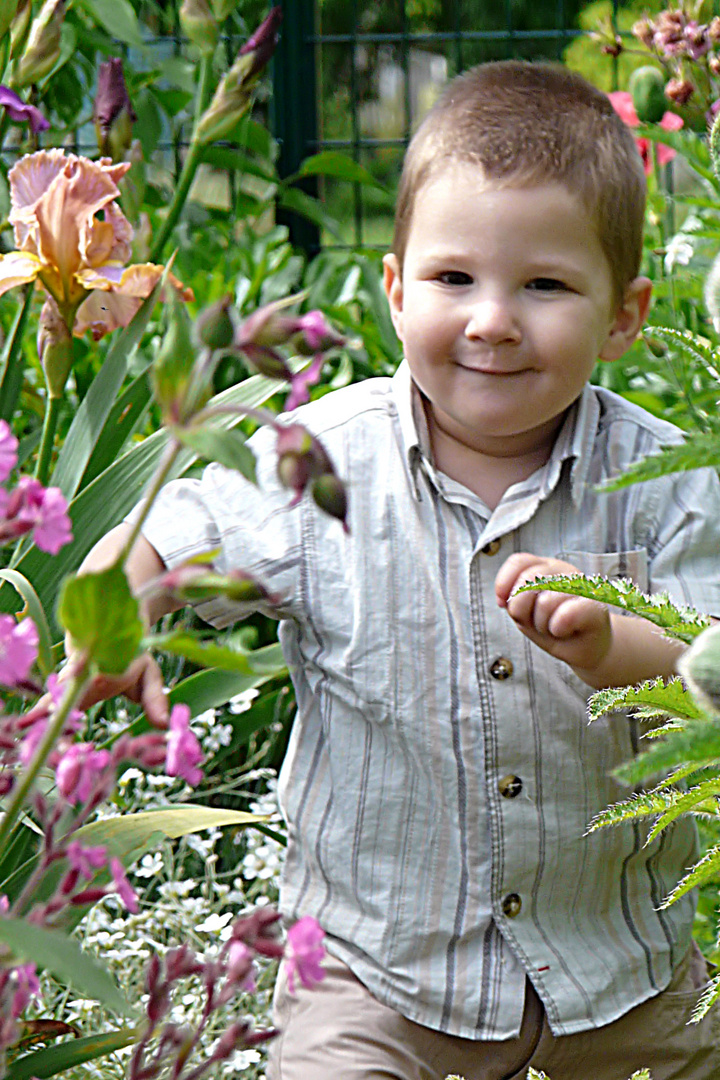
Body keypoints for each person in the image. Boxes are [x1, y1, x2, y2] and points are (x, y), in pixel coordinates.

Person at [77, 61, 720, 1079]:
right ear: (394, 287)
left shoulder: (668, 480)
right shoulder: (320, 460)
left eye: (545, 285)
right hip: (377, 976)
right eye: (454, 279)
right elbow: (167, 530)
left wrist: (610, 640)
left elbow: (709, 669)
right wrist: (117, 611)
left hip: (620, 967)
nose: (492, 320)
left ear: (627, 311)